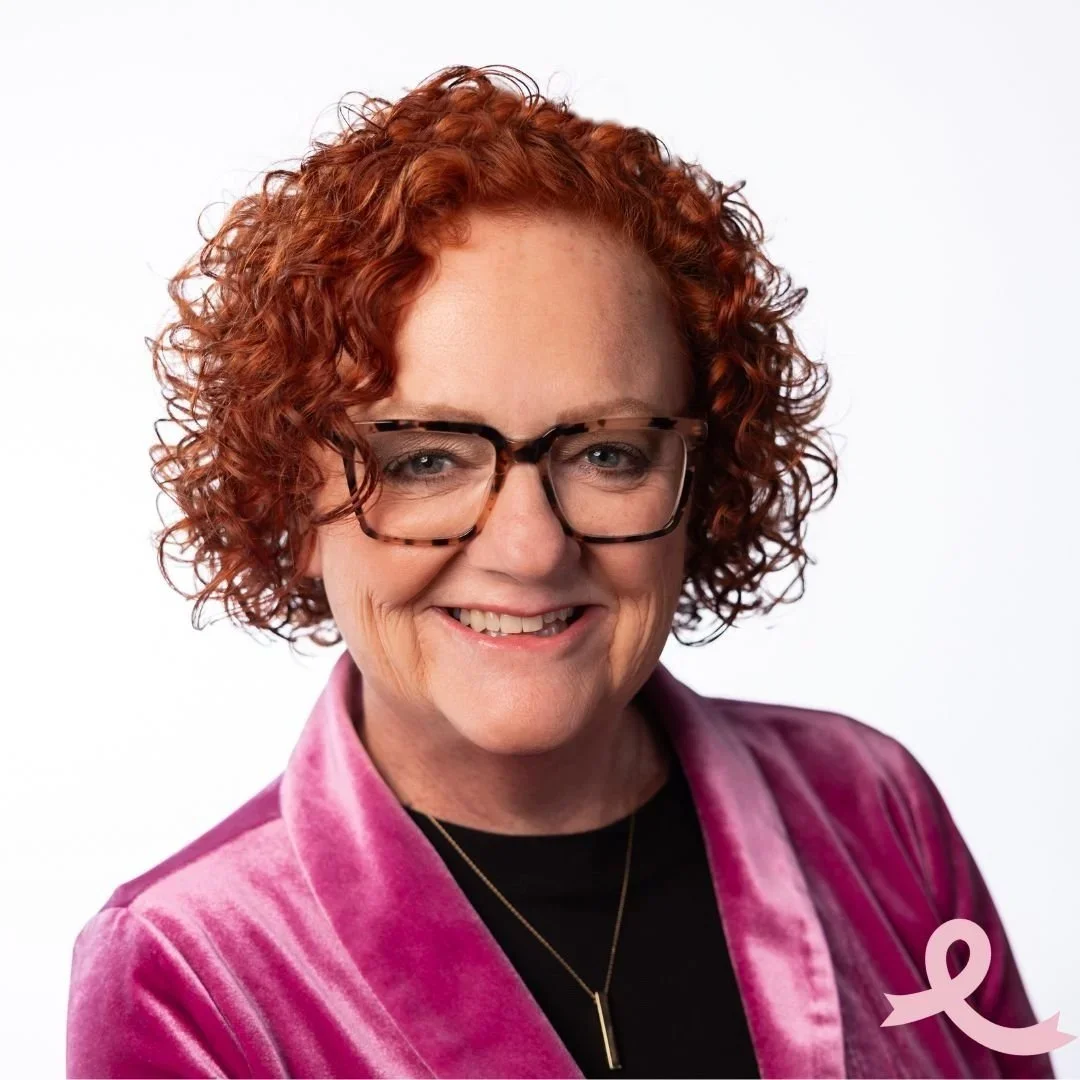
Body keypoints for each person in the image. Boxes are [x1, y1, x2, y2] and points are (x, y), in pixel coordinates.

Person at [66, 65, 1054, 1079]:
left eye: (608, 454)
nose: (532, 548)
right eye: (426, 460)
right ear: (292, 497)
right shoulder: (185, 967)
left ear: (701, 482)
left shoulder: (873, 809)